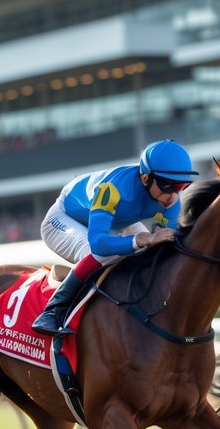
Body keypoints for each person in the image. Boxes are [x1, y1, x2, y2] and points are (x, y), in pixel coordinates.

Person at [31, 139, 198, 336]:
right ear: (146, 178)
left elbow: (168, 248)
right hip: (63, 219)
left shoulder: (170, 200)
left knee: (151, 249)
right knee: (104, 256)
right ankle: (52, 311)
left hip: (114, 221)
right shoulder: (112, 189)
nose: (172, 195)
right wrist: (138, 241)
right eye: (166, 185)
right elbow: (99, 244)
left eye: (181, 186)